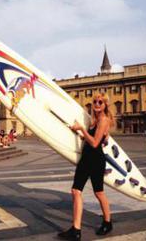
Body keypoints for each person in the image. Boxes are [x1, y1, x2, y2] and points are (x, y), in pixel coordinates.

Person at [58, 93, 113, 240]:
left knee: (99, 192)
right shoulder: (94, 121)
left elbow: (95, 143)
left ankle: (107, 222)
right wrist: (79, 133)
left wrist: (82, 129)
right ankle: (76, 229)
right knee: (76, 190)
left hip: (95, 159)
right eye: (94, 101)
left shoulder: (104, 121)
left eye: (100, 102)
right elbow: (90, 140)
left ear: (105, 105)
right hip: (86, 158)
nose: (96, 104)